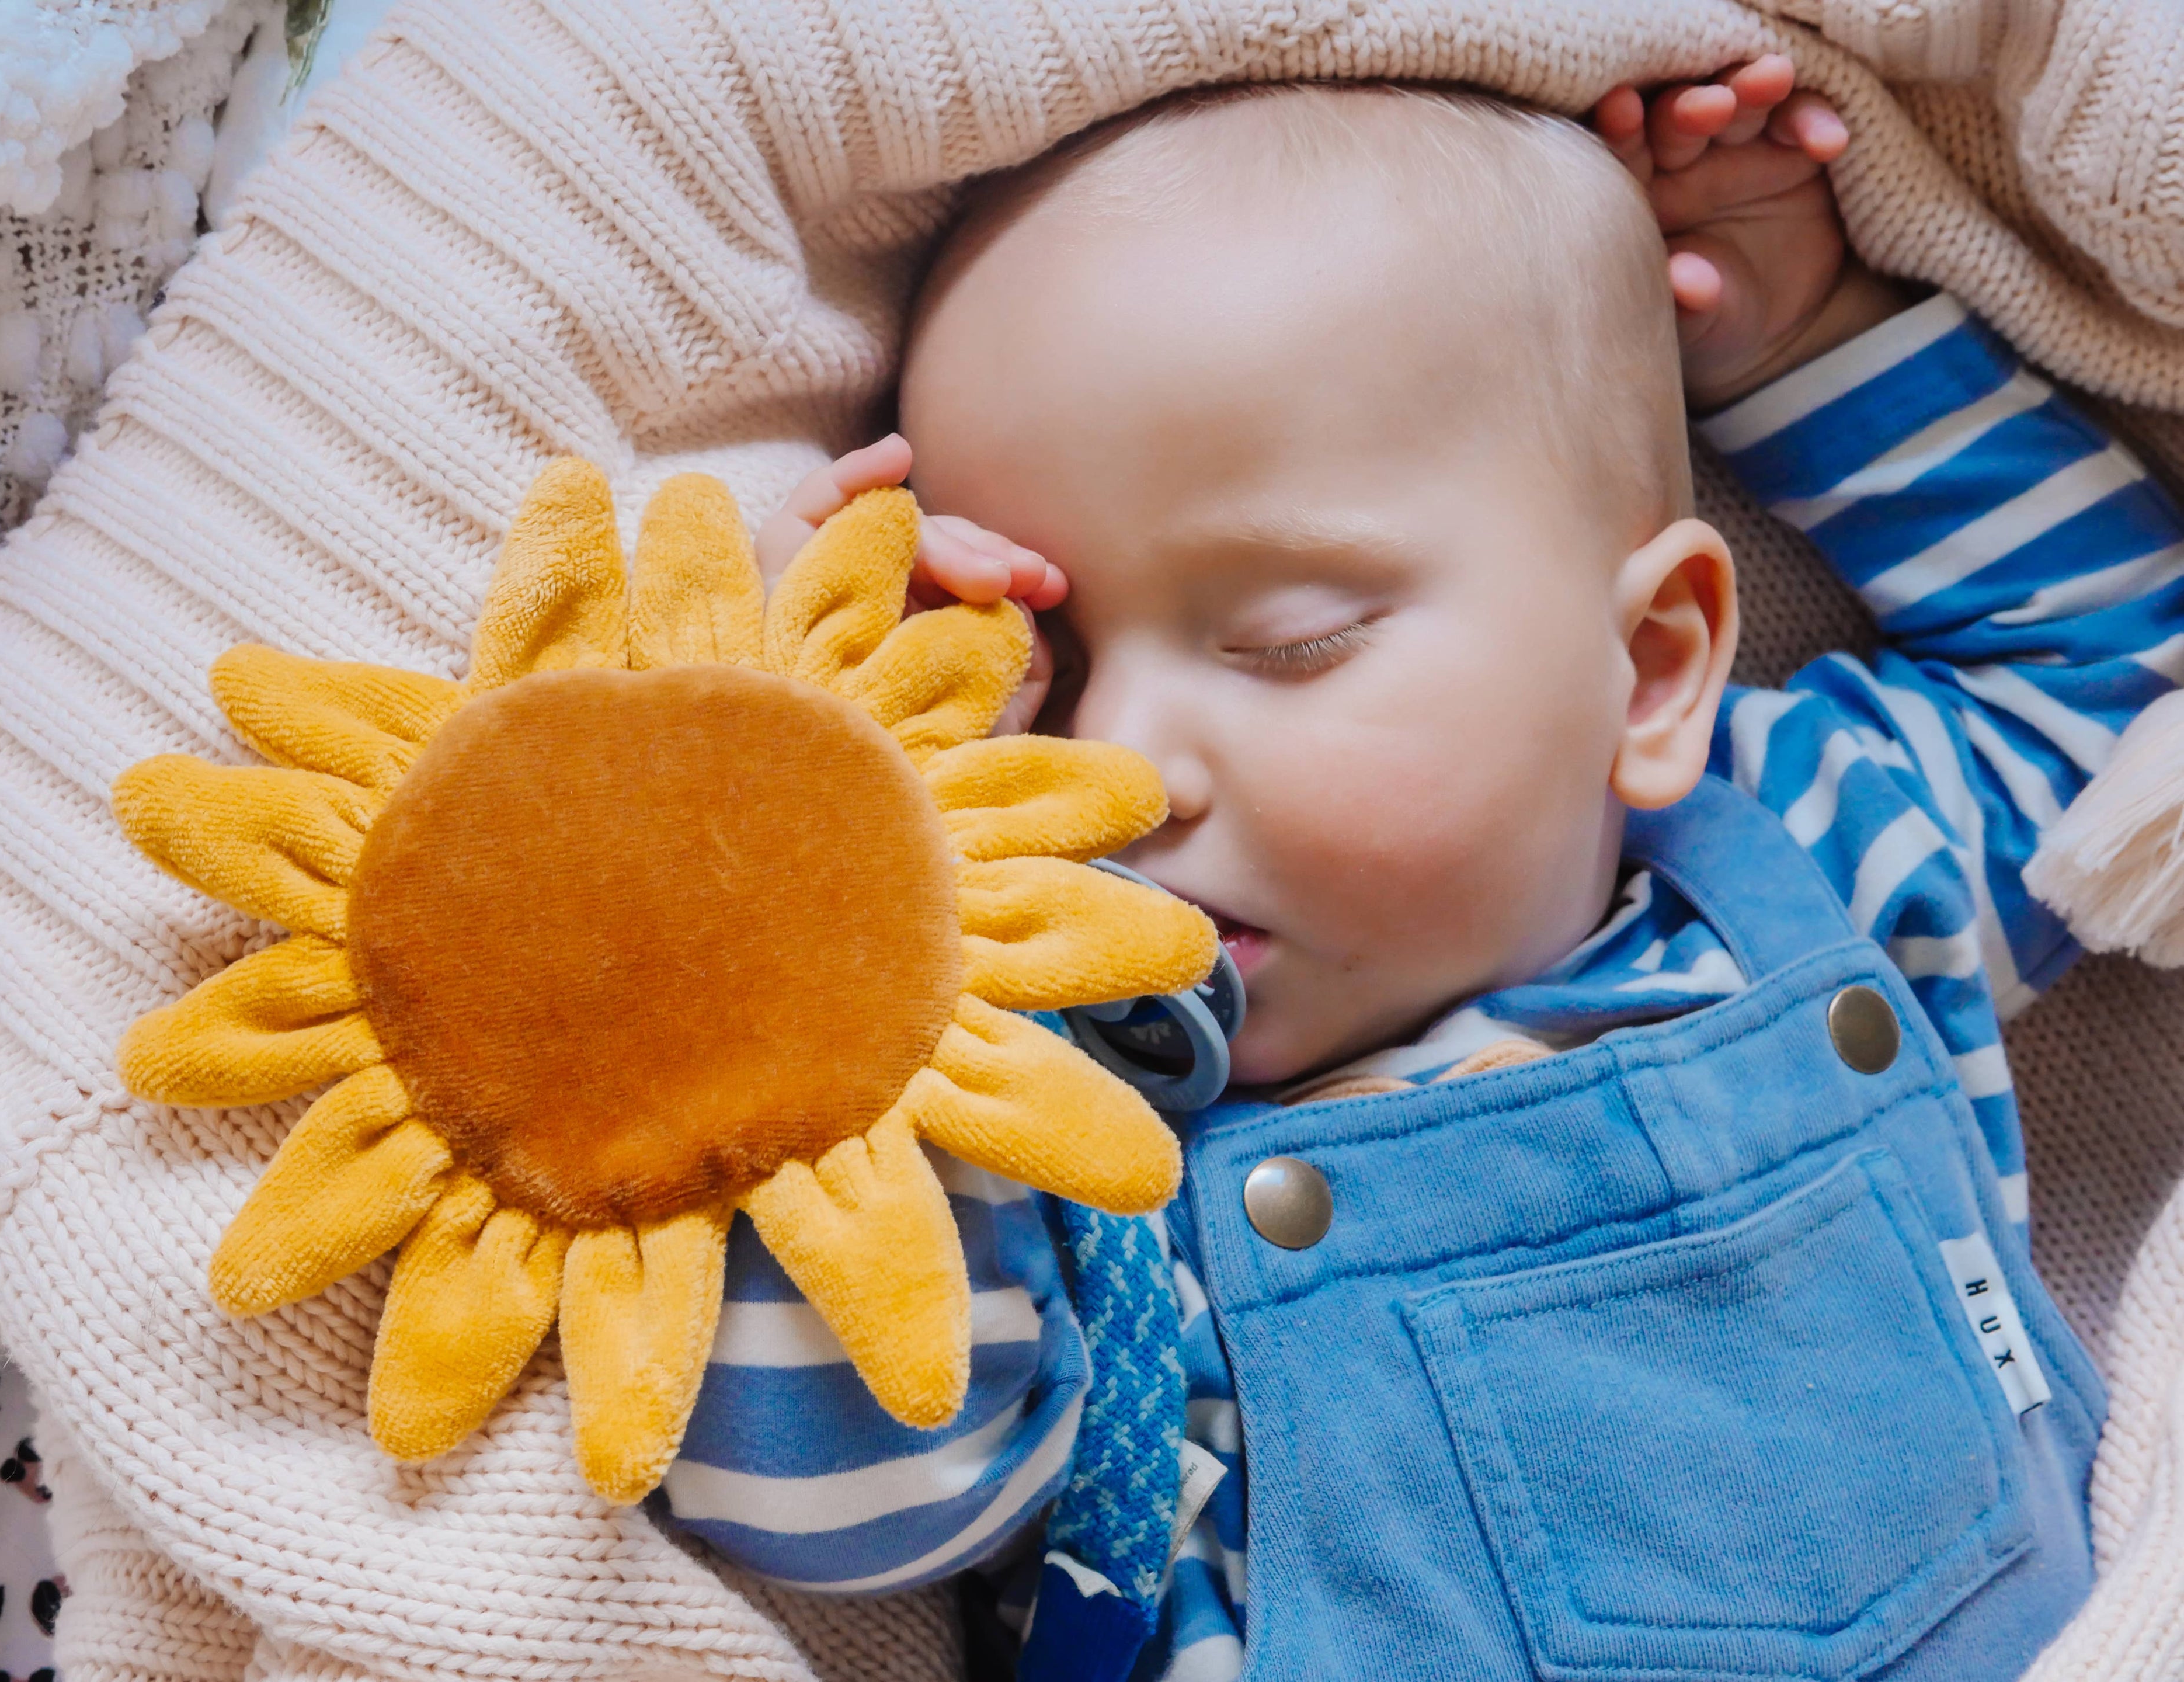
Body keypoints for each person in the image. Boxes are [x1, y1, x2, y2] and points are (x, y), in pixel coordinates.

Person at [652, 57, 2184, 1681]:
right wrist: (840, 846)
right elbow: (826, 1509)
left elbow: (2122, 717)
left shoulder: (1810, 846)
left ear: (1654, 666)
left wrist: (1813, 350)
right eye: (1044, 676)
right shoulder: (1043, 1132)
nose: (1116, 771)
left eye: (1289, 642)